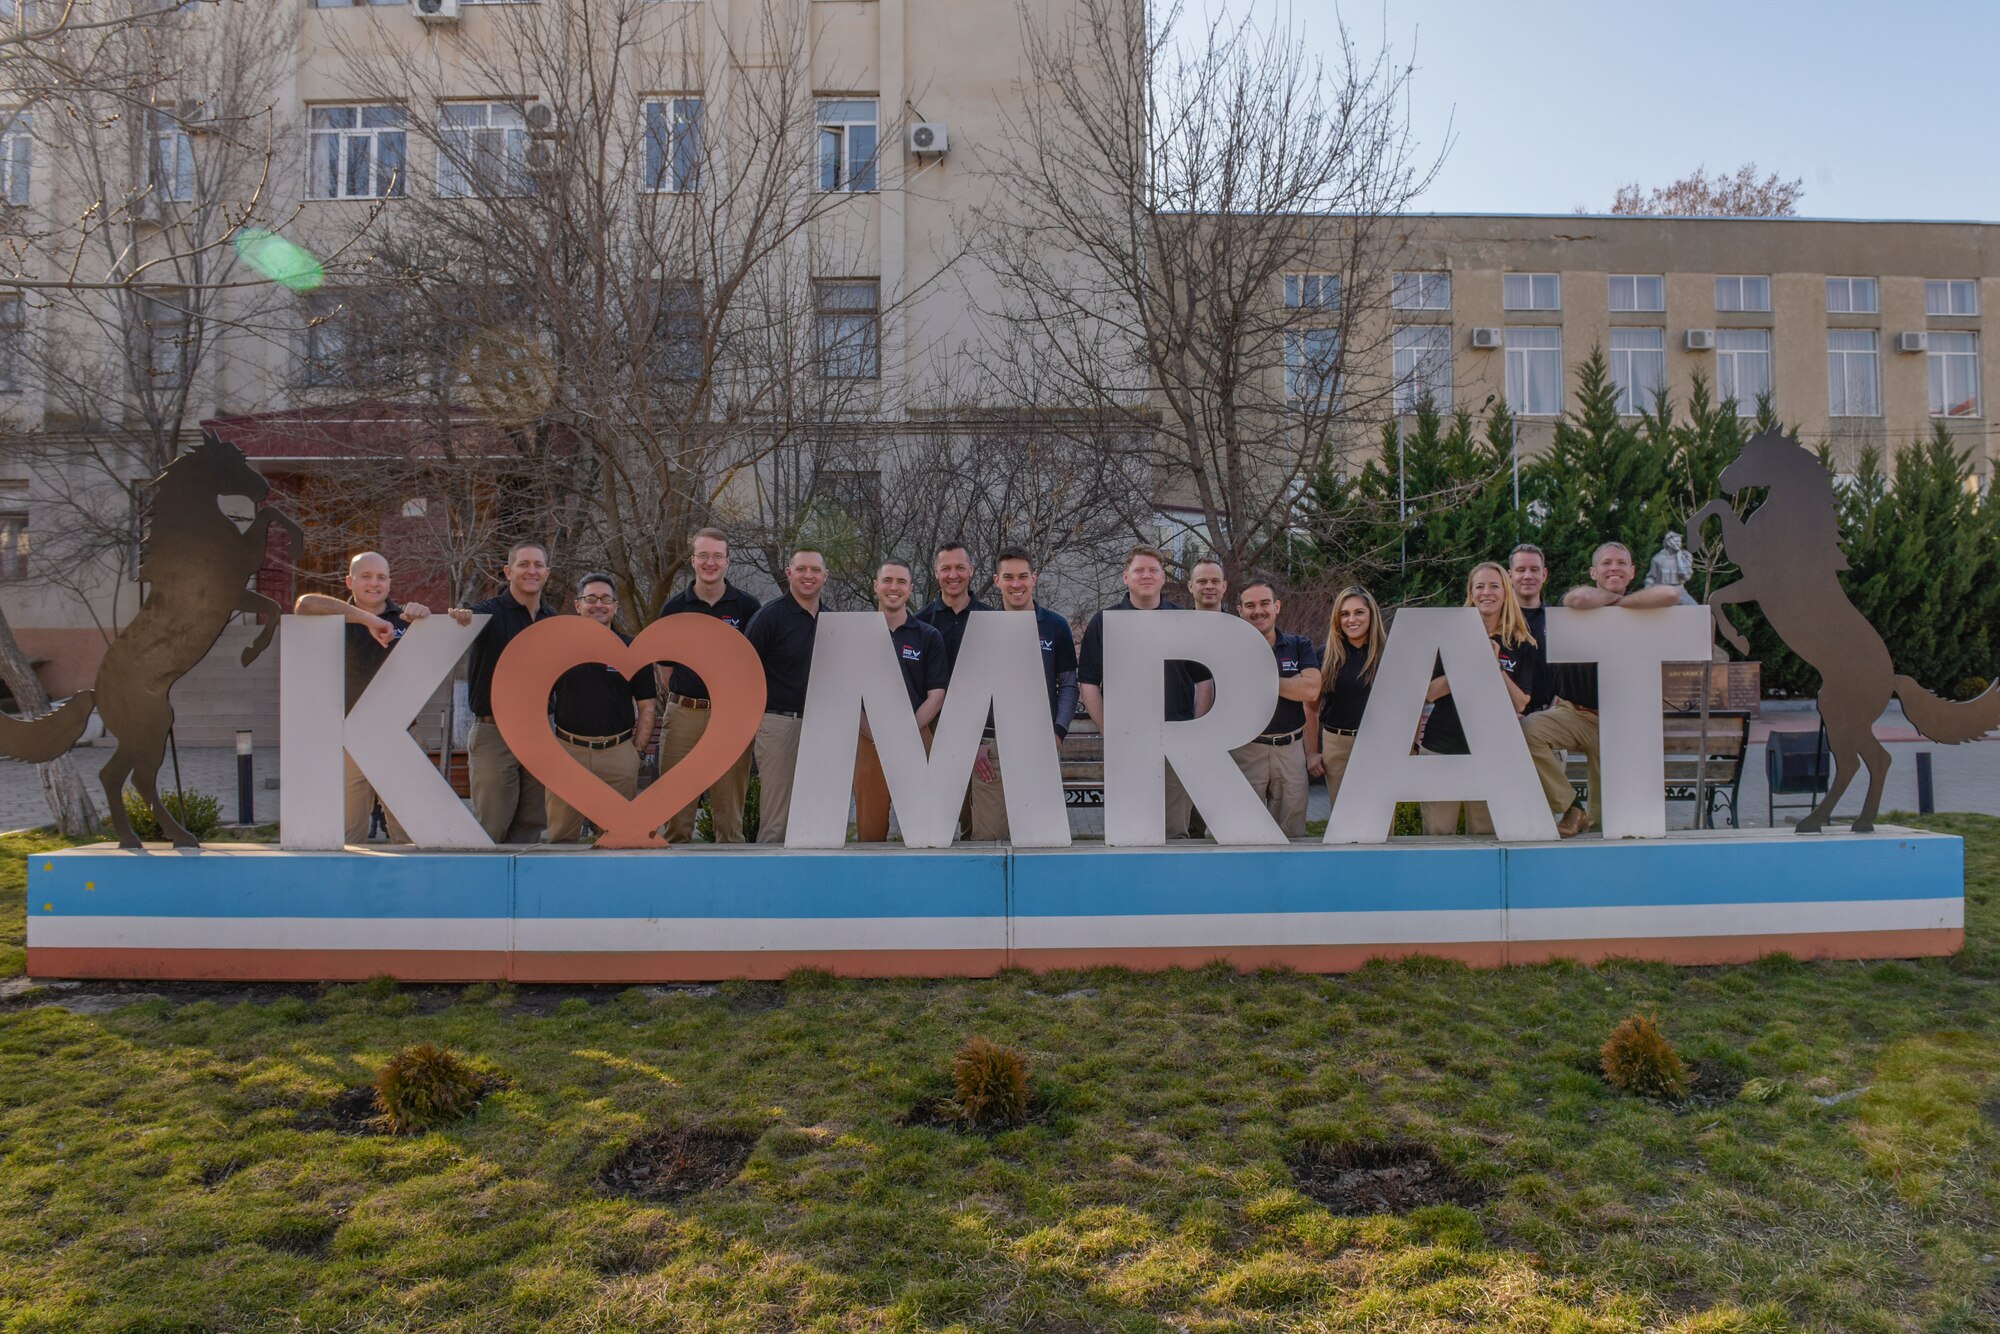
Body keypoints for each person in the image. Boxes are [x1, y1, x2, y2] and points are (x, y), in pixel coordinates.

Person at [1523, 541, 1683, 836]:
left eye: (1621, 563)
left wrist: (1621, 605)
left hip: (1619, 723)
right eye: (1606, 563)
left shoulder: (1642, 609)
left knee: (1605, 823)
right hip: (1574, 714)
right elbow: (1578, 597)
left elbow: (1672, 593)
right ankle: (1572, 806)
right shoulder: (1579, 606)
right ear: (1593, 572)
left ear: (1633, 572)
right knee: (1530, 729)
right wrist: (1615, 602)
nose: (1614, 568)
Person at [294, 550, 437, 844]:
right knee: (348, 836)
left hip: (400, 734)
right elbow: (303, 604)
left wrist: (424, 616)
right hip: (350, 737)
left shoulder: (406, 619)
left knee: (409, 834)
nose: (375, 583)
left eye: (382, 577)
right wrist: (366, 619)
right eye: (366, 576)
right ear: (349, 581)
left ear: (390, 582)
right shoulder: (331, 614)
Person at [1077, 545, 1214, 838]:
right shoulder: (1104, 622)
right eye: (1139, 570)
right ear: (1126, 577)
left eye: (1153, 570)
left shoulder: (1184, 620)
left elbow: (1204, 680)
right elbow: (1088, 682)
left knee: (1174, 831)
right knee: (1128, 832)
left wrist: (1197, 729)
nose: (1146, 575)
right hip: (1127, 742)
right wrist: (1107, 730)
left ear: (1164, 578)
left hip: (1176, 740)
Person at [1419, 562, 1540, 836]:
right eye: (1480, 586)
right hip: (1442, 746)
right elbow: (1430, 692)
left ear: (1506, 591)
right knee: (1438, 833)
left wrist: (1494, 666)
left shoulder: (1522, 643)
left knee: (1485, 835)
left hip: (1494, 752)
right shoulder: (1449, 636)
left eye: (1494, 586)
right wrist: (1470, 663)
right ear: (1471, 593)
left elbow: (1520, 703)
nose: (1487, 592)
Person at [655, 528, 761, 843]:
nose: (710, 562)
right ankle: (676, 881)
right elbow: (665, 669)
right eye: (704, 555)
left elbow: (752, 665)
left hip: (731, 717)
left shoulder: (747, 606)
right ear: (693, 560)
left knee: (729, 818)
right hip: (685, 713)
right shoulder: (674, 608)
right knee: (676, 810)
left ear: (728, 561)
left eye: (717, 556)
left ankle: (730, 883)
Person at [447, 542, 557, 843]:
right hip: (494, 732)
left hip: (540, 732)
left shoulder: (553, 620)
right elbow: (465, 616)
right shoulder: (488, 613)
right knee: (491, 828)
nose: (531, 571)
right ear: (508, 571)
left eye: (538, 565)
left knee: (532, 825)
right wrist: (461, 615)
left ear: (547, 573)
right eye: (523, 564)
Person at [969, 546, 1078, 841]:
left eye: (1022, 576)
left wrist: (1057, 732)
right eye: (1008, 577)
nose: (1016, 584)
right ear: (996, 580)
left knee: (1040, 840)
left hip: (1039, 741)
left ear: (1034, 578)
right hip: (991, 749)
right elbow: (971, 691)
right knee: (989, 839)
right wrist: (979, 741)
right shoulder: (982, 628)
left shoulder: (1055, 626)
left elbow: (1068, 684)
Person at [543, 574, 657, 843]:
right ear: (578, 605)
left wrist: (636, 753)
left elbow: (648, 707)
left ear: (615, 606)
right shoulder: (558, 649)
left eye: (606, 599)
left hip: (617, 755)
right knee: (560, 840)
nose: (599, 605)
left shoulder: (632, 648)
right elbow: (535, 701)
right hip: (568, 753)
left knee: (619, 842)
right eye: (591, 599)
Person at [854, 560, 949, 842]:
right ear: (876, 585)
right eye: (887, 581)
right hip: (868, 739)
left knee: (924, 832)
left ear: (910, 588)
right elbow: (848, 697)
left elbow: (937, 694)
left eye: (901, 582)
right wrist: (876, 733)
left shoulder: (928, 636)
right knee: (870, 832)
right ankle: (872, 884)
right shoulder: (856, 635)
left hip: (917, 737)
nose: (893, 588)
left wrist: (906, 732)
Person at [742, 547, 826, 844]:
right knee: (777, 819)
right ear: (789, 573)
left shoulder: (831, 621)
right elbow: (744, 671)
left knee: (816, 816)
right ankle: (769, 884)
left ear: (825, 576)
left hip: (821, 728)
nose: (808, 575)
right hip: (779, 723)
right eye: (801, 569)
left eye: (815, 570)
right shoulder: (769, 617)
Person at [1229, 578, 1322, 837]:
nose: (1258, 610)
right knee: (1242, 833)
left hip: (1290, 751)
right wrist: (1291, 684)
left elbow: (1312, 689)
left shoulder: (1298, 645)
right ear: (1240, 611)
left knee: (1290, 833)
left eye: (1264, 603)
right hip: (1247, 749)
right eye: (1250, 605)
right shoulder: (1230, 650)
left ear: (1277, 606)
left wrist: (1260, 680)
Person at [914, 540, 990, 838]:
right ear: (936, 573)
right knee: (939, 816)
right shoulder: (919, 623)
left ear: (971, 570)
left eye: (960, 567)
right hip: (934, 727)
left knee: (975, 818)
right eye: (946, 568)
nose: (953, 574)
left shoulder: (991, 619)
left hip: (977, 726)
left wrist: (985, 736)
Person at [1304, 585, 1385, 809]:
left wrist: (1411, 745)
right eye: (1345, 613)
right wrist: (1312, 752)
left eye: (1359, 612)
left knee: (1379, 819)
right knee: (1344, 819)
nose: (1352, 619)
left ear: (1372, 615)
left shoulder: (1389, 654)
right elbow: (1310, 707)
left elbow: (1408, 703)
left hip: (1380, 744)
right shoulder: (1325, 655)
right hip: (1337, 745)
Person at [1508, 544, 1559, 716]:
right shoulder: (1497, 621)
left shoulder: (1558, 621)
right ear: (1510, 576)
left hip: (1548, 719)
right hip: (1503, 717)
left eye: (1534, 570)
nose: (1527, 576)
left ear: (1544, 574)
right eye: (1521, 569)